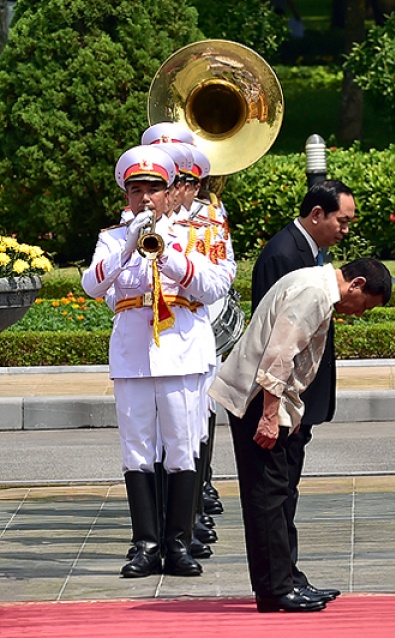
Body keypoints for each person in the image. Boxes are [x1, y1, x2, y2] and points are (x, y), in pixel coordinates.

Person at [81, 145, 233, 578]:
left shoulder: (190, 234)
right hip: (132, 357)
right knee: (137, 452)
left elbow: (214, 284)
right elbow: (93, 285)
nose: (145, 197)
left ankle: (179, 543)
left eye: (154, 189)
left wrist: (166, 254)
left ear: (170, 193)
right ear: (125, 195)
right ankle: (145, 545)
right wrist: (128, 248)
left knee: (183, 449)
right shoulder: (112, 237)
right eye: (136, 190)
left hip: (181, 353)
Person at [209, 258, 392, 612]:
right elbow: (279, 355)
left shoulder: (317, 286)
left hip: (270, 402)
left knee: (278, 493)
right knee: (267, 497)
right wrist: (269, 415)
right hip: (258, 401)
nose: (359, 313)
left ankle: (287, 578)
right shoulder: (314, 293)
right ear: (355, 285)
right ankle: (275, 590)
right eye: (365, 305)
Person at [251, 180, 356, 597]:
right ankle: (279, 582)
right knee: (275, 492)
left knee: (287, 489)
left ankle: (289, 575)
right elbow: (277, 340)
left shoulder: (310, 251)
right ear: (317, 214)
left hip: (298, 396)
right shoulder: (283, 254)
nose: (345, 230)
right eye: (341, 221)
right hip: (279, 397)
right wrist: (273, 407)